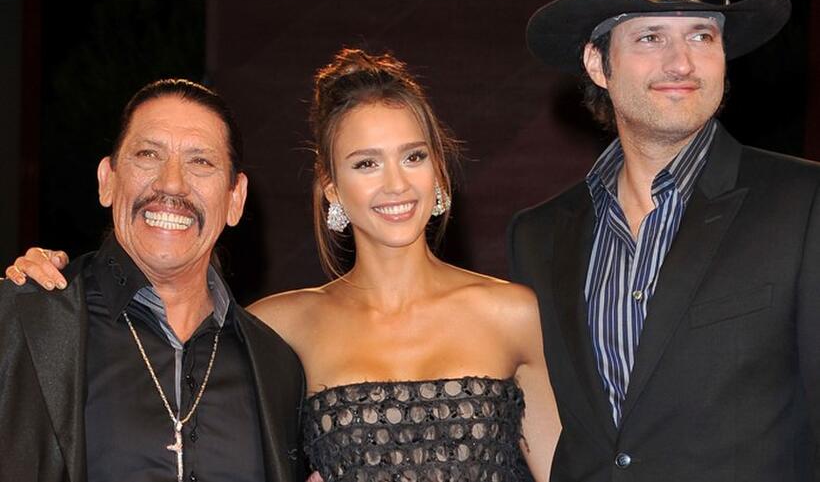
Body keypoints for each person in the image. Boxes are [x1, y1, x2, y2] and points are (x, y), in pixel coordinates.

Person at [8, 50, 561, 481]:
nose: (395, 184)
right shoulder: (275, 331)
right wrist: (43, 290)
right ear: (331, 188)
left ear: (439, 172)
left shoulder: (512, 314)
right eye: (366, 162)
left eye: (413, 156)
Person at [508, 0, 820, 481]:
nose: (682, 63)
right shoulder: (538, 237)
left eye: (702, 36)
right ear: (597, 64)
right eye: (651, 37)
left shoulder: (803, 204)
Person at [0, 79, 304, 482]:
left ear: (235, 199)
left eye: (201, 162)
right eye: (148, 154)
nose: (171, 184)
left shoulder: (277, 367)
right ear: (107, 180)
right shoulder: (21, 324)